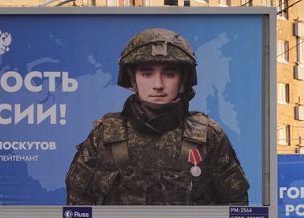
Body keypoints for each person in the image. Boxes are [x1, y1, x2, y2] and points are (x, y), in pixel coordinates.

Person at [65, 28, 249, 206]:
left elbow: (236, 208)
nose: (158, 85)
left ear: (183, 80)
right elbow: (77, 207)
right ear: (132, 79)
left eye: (169, 74)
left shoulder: (208, 136)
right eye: (147, 73)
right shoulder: (104, 136)